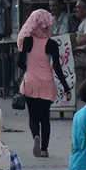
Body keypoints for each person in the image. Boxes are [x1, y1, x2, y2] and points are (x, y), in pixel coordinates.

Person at [18, 9, 66, 158]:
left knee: (33, 116)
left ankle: (35, 136)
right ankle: (44, 150)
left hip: (30, 82)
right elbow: (57, 67)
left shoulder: (26, 41)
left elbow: (20, 64)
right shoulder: (51, 44)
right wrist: (66, 86)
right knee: (45, 118)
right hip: (47, 82)